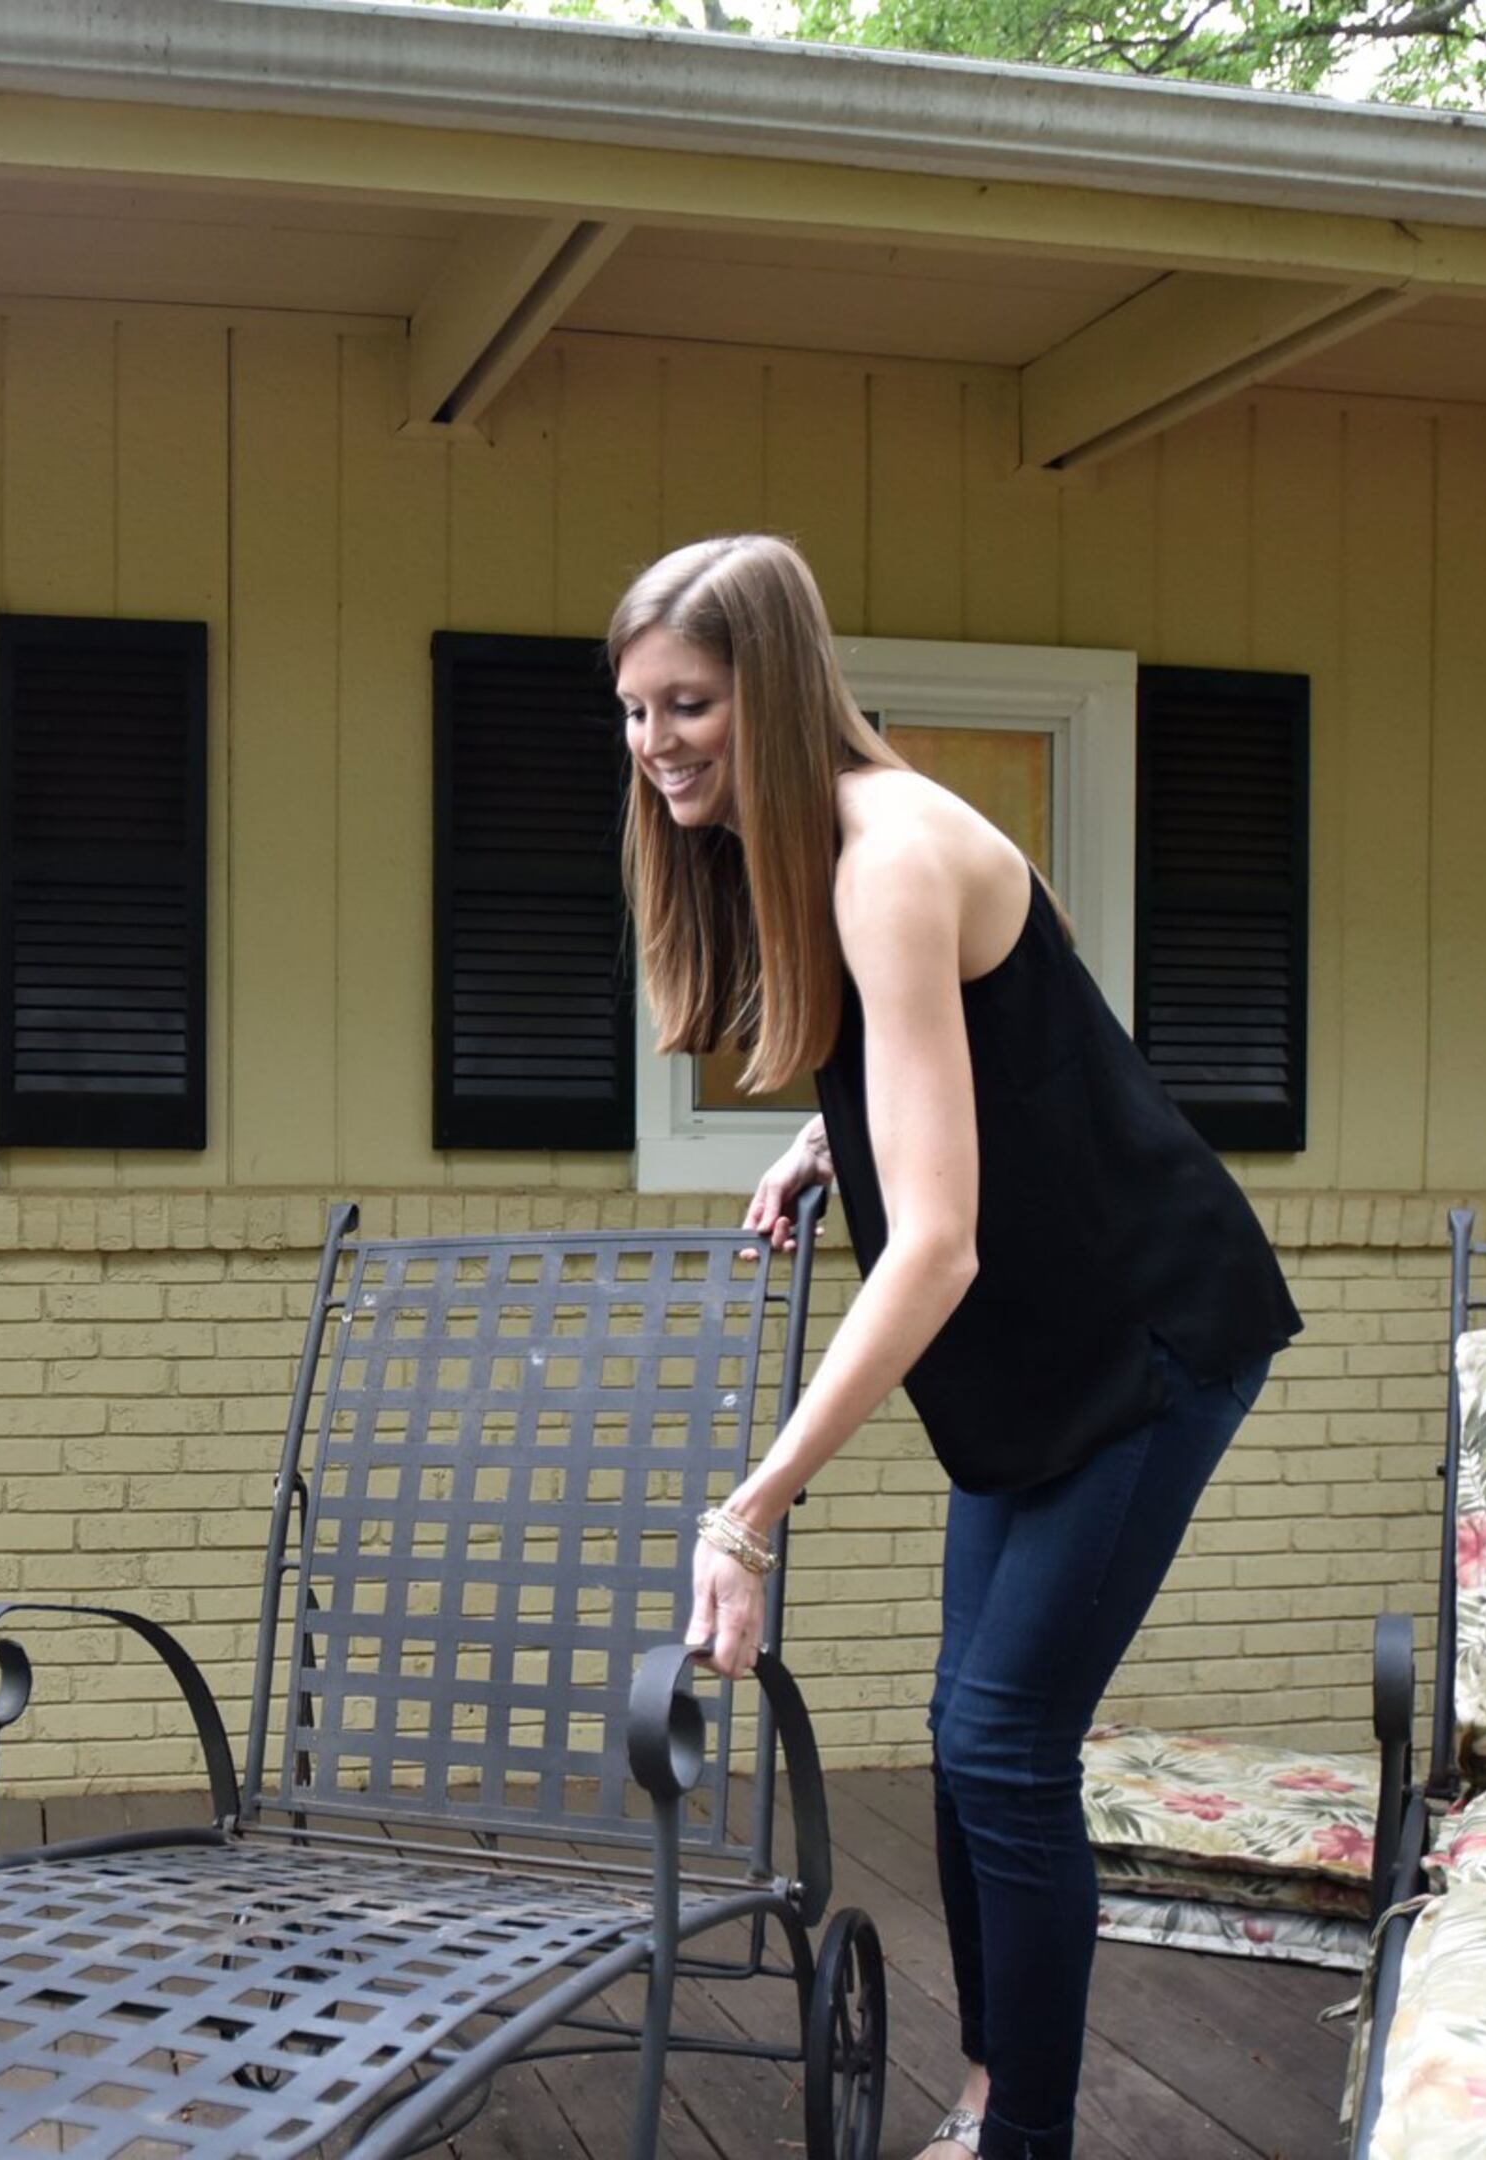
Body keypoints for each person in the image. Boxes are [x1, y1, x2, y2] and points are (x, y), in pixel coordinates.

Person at [620, 535, 1301, 2160]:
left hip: (1144, 1342)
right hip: (1024, 1368)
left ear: (773, 690)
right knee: (967, 1735)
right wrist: (826, 1140)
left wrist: (752, 1505)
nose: (656, 745)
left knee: (1005, 1741)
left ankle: (1024, 2134)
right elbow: (975, 1072)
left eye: (691, 705)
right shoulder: (837, 842)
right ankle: (996, 2095)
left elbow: (938, 1241)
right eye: (636, 711)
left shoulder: (889, 856)